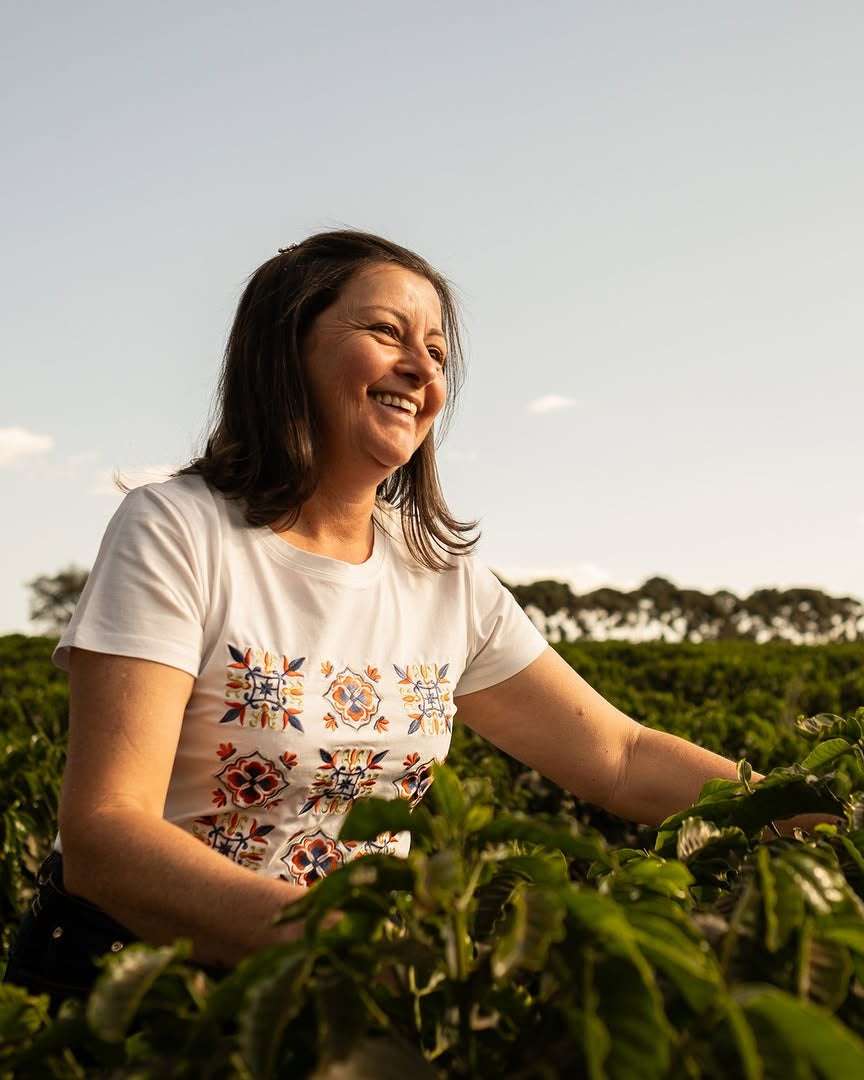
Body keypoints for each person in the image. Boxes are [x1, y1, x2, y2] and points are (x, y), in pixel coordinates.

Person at [5, 230, 766, 999]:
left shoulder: (440, 573)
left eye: (436, 351)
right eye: (384, 332)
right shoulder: (178, 529)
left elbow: (622, 757)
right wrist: (335, 940)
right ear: (286, 347)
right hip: (145, 985)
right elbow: (106, 835)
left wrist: (809, 810)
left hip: (344, 991)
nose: (421, 367)